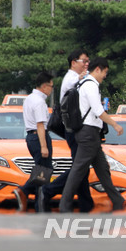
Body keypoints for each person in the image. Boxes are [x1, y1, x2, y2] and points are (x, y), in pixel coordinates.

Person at [59, 57, 125, 213]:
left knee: (102, 168)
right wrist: (115, 124)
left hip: (90, 134)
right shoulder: (90, 85)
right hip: (88, 133)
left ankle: (117, 200)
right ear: (98, 69)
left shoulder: (85, 84)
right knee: (78, 170)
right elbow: (98, 111)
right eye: (105, 72)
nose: (105, 76)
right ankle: (64, 204)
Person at [38, 49, 94, 212]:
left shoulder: (77, 78)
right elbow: (73, 85)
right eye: (84, 61)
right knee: (80, 168)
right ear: (73, 62)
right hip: (70, 131)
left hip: (75, 130)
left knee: (81, 168)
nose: (86, 64)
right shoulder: (71, 78)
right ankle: (47, 190)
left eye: (88, 61)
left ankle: (86, 204)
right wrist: (84, 77)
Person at [13, 72, 54, 212]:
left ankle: (37, 203)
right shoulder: (39, 102)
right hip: (39, 137)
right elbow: (40, 124)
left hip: (31, 137)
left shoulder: (30, 98)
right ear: (44, 86)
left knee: (41, 170)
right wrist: (44, 146)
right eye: (51, 86)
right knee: (44, 172)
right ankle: (25, 192)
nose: (51, 89)